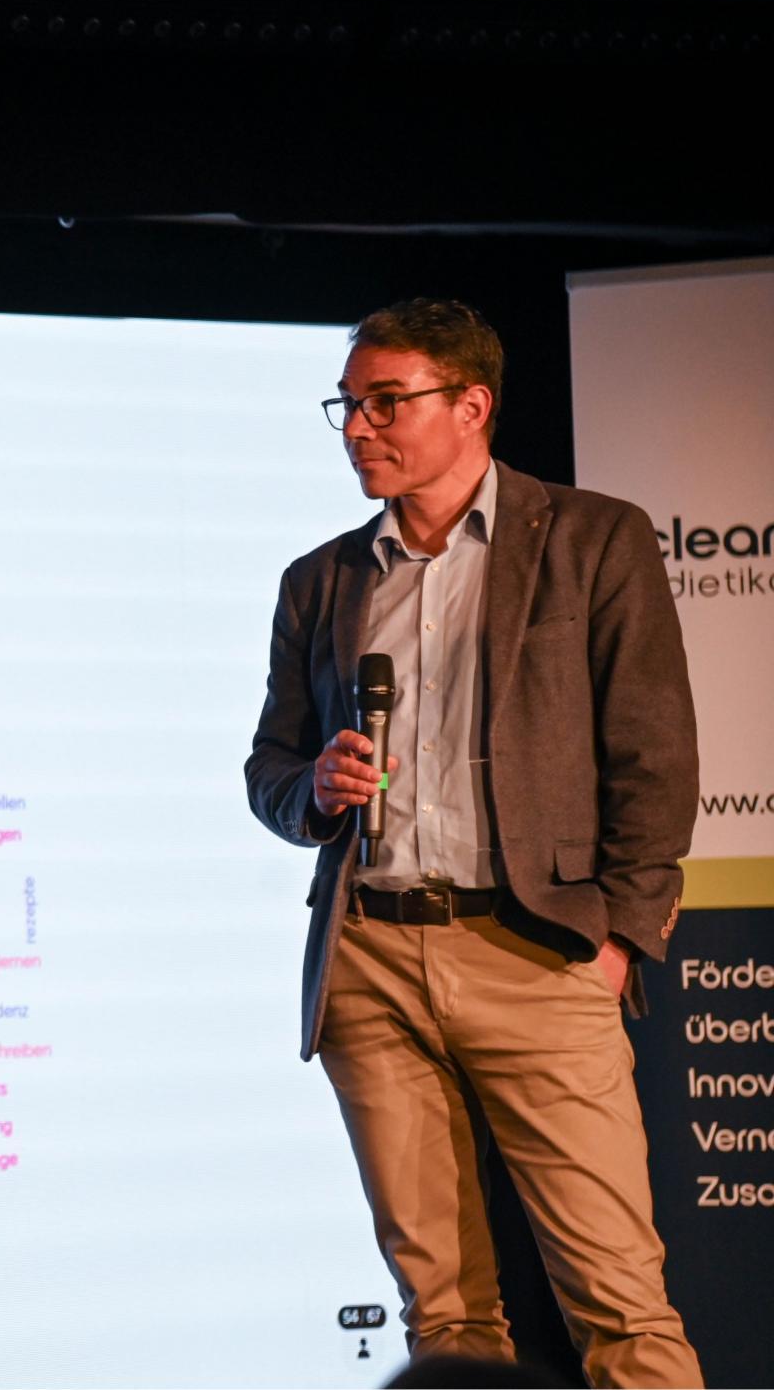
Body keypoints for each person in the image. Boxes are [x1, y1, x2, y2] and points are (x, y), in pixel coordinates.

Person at [245, 298, 700, 1386]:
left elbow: (654, 755)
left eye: (385, 402)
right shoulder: (321, 579)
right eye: (347, 407)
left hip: (536, 951)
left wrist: (617, 944)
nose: (359, 428)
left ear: (471, 405)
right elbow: (269, 770)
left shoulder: (592, 539)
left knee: (621, 1306)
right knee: (444, 1314)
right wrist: (315, 788)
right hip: (372, 962)